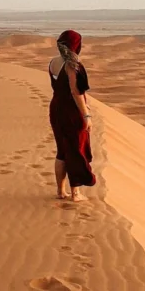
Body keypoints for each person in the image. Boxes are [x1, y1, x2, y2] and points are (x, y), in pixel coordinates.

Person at [48, 30, 96, 202]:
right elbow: (76, 92)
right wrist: (86, 115)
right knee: (76, 149)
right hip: (71, 111)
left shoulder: (53, 62)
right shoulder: (72, 65)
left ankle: (61, 191)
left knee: (62, 150)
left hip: (56, 108)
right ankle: (75, 193)